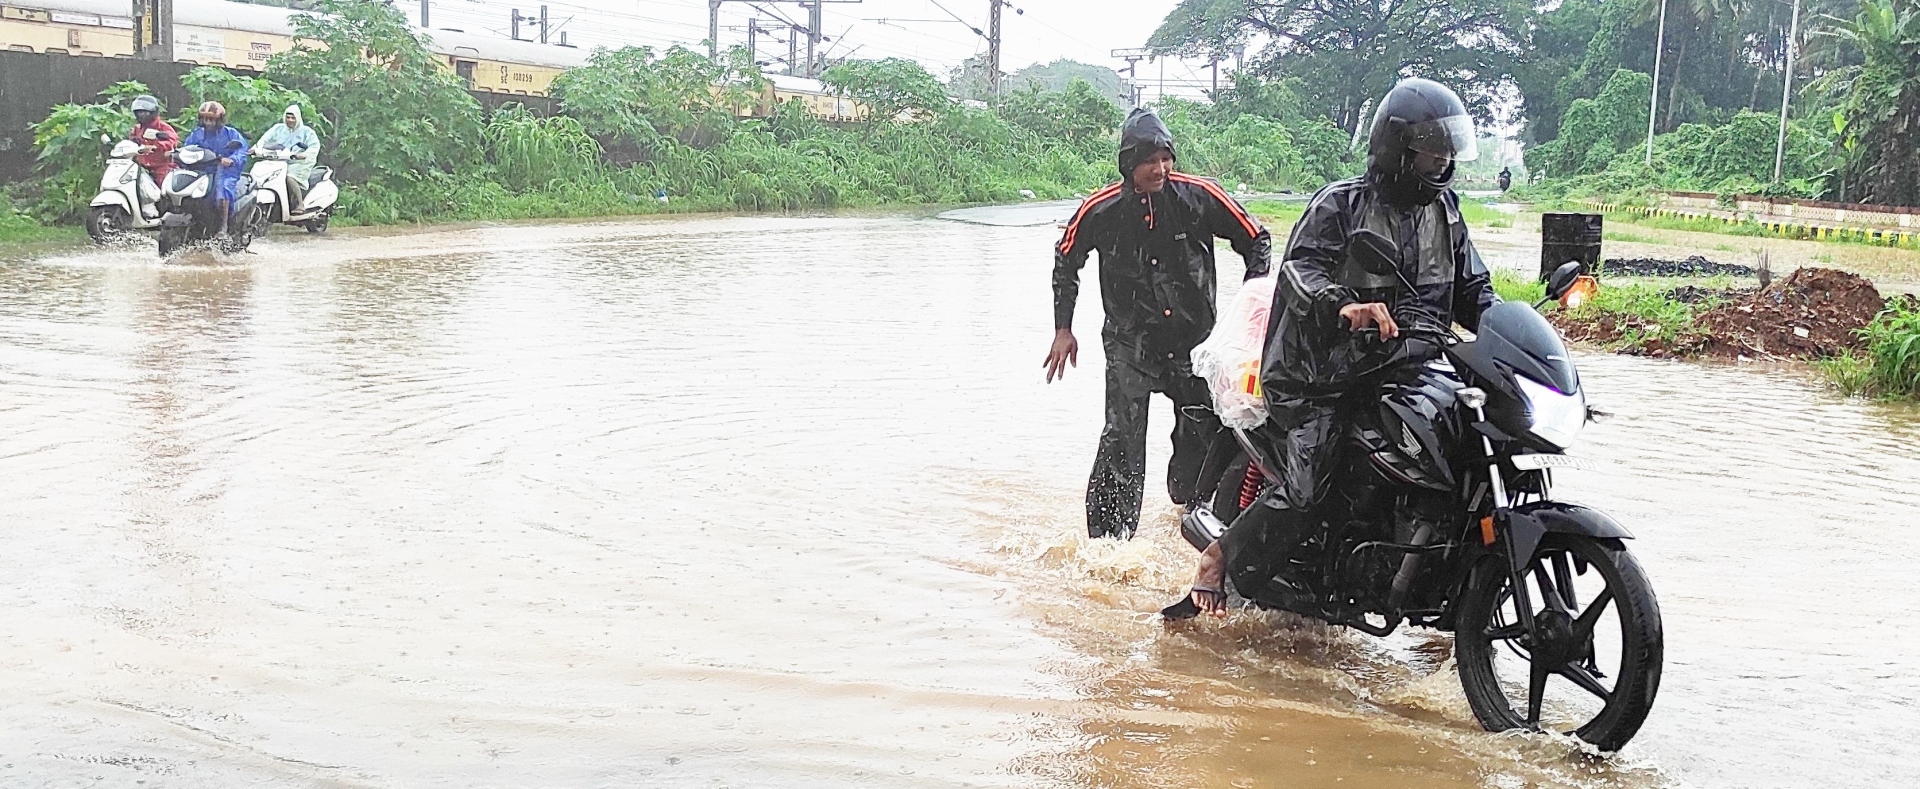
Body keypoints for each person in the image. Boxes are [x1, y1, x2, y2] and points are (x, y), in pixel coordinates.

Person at [1168, 77, 1499, 617]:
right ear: (1396, 151)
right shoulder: (1341, 205)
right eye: (1428, 155)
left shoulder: (1446, 213)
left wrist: (1508, 321)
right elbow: (1299, 271)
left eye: (1445, 155)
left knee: (1466, 443)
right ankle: (1219, 557)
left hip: (1406, 366)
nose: (1440, 166)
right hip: (1319, 374)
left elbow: (1473, 289)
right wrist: (1343, 304)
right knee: (1309, 485)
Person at [1047, 108, 1272, 540]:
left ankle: (1194, 523)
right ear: (1128, 164)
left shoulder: (1200, 196)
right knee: (1121, 439)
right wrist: (1063, 328)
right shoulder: (1101, 209)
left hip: (1195, 342)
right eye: (1149, 160)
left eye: (1166, 157)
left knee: (1205, 434)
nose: (1160, 168)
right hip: (1129, 343)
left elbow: (1256, 239)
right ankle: (1110, 545)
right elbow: (1066, 259)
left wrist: (1250, 307)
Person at [180, 101, 249, 236]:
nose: (208, 123)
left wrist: (232, 160)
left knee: (223, 189)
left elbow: (242, 149)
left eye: (211, 119)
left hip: (224, 171)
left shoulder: (231, 133)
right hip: (201, 171)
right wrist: (177, 154)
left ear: (220, 119)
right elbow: (187, 147)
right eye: (205, 119)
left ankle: (223, 226)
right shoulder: (197, 134)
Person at [253, 104, 320, 209]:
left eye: (293, 117)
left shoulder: (307, 132)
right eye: (288, 117)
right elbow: (264, 140)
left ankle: (299, 204)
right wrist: (255, 148)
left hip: (299, 163)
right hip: (278, 161)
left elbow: (314, 147)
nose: (290, 120)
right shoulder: (278, 129)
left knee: (289, 177)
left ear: (298, 118)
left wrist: (303, 155)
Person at [129, 95, 177, 182]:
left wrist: (156, 146)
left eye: (145, 112)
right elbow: (130, 143)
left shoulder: (163, 127)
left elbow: (172, 141)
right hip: (141, 166)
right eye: (139, 112)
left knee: (162, 185)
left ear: (153, 112)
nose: (142, 115)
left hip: (160, 167)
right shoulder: (137, 128)